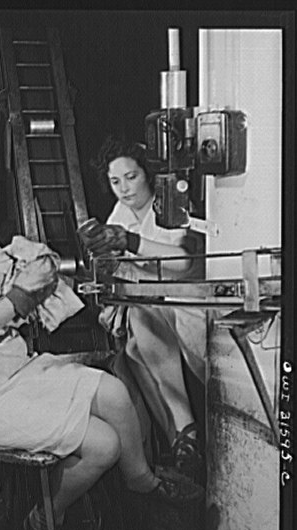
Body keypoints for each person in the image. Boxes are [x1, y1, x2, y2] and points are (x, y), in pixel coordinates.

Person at [0, 133, 203, 530]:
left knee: (115, 394)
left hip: (12, 366)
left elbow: (5, 278)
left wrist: (42, 270)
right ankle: (47, 519)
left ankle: (140, 482)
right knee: (104, 445)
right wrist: (20, 297)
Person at [78, 136, 207, 476]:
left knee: (141, 322)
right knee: (131, 354)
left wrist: (130, 243)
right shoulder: (120, 213)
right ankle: (182, 443)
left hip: (191, 307)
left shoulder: (170, 203)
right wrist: (108, 264)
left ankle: (185, 430)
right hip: (156, 307)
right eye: (115, 181)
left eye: (131, 177)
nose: (124, 188)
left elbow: (181, 263)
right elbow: (129, 271)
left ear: (147, 174)